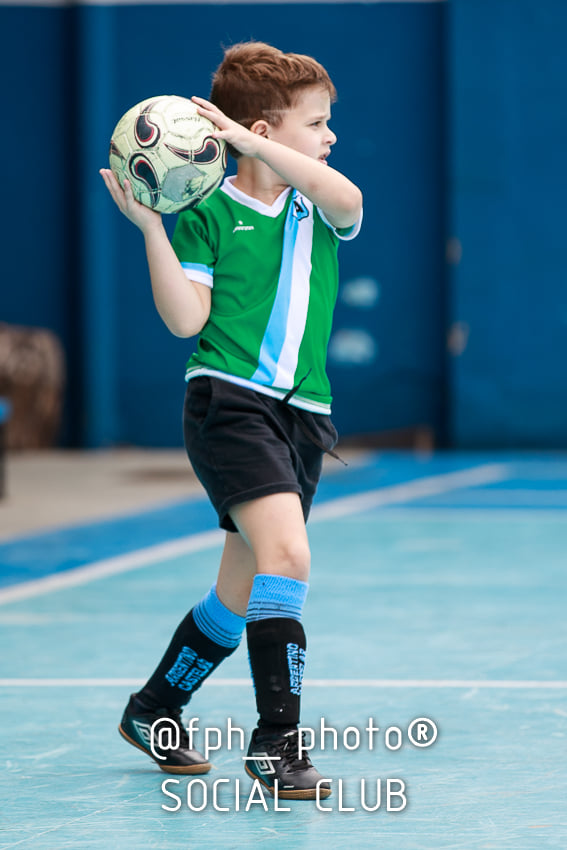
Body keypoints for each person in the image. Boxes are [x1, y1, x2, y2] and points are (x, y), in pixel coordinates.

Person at [100, 41, 362, 801]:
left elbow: (349, 201)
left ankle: (155, 709)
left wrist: (254, 145)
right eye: (317, 123)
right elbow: (187, 320)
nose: (330, 135)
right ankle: (277, 744)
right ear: (267, 126)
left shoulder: (317, 204)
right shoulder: (208, 210)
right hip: (230, 406)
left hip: (303, 416)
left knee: (239, 595)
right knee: (289, 555)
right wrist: (153, 229)